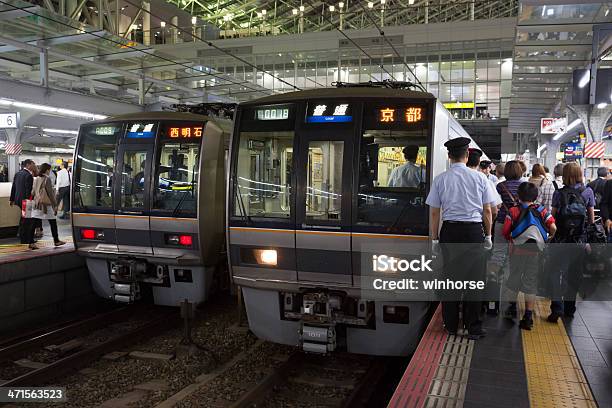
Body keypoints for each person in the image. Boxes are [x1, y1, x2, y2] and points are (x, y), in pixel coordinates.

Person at [426, 137, 497, 339]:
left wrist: (434, 239)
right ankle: (473, 327)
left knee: (451, 280)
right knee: (474, 281)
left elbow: (434, 213)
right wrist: (489, 235)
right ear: (467, 156)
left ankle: (450, 325)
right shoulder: (481, 178)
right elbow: (488, 212)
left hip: (450, 232)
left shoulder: (440, 179)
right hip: (474, 233)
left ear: (449, 157)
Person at [502, 182, 556, 330]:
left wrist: (512, 239)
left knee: (514, 278)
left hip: (516, 252)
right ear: (536, 196)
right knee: (530, 283)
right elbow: (553, 226)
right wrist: (548, 238)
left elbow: (505, 232)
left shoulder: (513, 211)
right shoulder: (542, 210)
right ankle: (527, 317)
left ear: (519, 195)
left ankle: (511, 309)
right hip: (535, 253)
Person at [548, 162, 595, 322]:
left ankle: (557, 308)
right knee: (573, 275)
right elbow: (591, 219)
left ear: (566, 175)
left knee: (555, 273)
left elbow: (552, 217)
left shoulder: (558, 193)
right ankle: (570, 309)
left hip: (560, 240)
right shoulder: (588, 191)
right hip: (579, 241)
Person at [31, 163, 65, 248]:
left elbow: (32, 192)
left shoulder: (36, 178)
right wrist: (55, 205)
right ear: (47, 170)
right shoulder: (47, 179)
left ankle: (31, 242)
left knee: (34, 223)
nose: (50, 171)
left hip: (37, 204)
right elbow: (50, 194)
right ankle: (56, 240)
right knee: (53, 222)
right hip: (46, 205)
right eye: (49, 170)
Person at [468, 149, 501, 222]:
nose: (484, 171)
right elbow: (492, 210)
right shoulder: (486, 180)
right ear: (478, 164)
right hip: (478, 220)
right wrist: (489, 228)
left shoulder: (493, 178)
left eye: (486, 168)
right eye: (482, 168)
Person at [9, 159, 36, 248]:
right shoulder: (29, 175)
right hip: (25, 201)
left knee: (23, 219)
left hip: (18, 200)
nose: (34, 165)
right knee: (27, 221)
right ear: (28, 165)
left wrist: (12, 199)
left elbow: (14, 187)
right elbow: (28, 191)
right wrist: (29, 202)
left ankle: (22, 236)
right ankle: (25, 239)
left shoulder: (18, 173)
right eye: (33, 164)